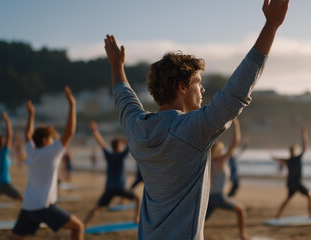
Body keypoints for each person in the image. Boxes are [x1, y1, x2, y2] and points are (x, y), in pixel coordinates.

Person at [104, 0, 289, 238]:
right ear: (182, 87)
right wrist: (271, 26)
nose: (202, 91)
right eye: (198, 84)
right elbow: (237, 91)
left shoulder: (136, 128)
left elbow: (123, 97)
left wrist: (116, 66)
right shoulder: (192, 131)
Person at [11, 87, 84, 240]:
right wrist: (72, 105)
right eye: (51, 138)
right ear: (45, 140)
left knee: (17, 238)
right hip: (43, 207)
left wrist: (31, 115)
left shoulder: (31, 151)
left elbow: (27, 135)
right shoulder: (51, 152)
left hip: (27, 207)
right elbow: (69, 132)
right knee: (78, 227)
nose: (53, 141)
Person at [84, 121, 140, 225]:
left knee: (97, 208)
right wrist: (124, 139)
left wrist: (95, 131)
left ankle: (84, 223)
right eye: (121, 145)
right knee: (138, 198)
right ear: (119, 147)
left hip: (109, 188)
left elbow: (101, 143)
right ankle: (136, 218)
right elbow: (130, 142)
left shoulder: (109, 155)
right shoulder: (122, 155)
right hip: (120, 188)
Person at [206, 119, 248, 240]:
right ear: (218, 151)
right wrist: (236, 124)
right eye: (221, 150)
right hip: (218, 197)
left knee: (201, 221)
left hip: (209, 197)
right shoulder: (220, 161)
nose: (223, 152)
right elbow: (235, 143)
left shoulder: (209, 162)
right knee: (241, 210)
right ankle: (243, 235)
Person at [272, 125, 311, 219]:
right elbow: (305, 146)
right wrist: (304, 133)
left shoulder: (288, 160)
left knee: (287, 200)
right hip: (297, 183)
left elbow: (279, 159)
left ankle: (278, 215)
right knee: (310, 195)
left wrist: (273, 157)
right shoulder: (297, 158)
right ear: (295, 151)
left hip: (290, 183)